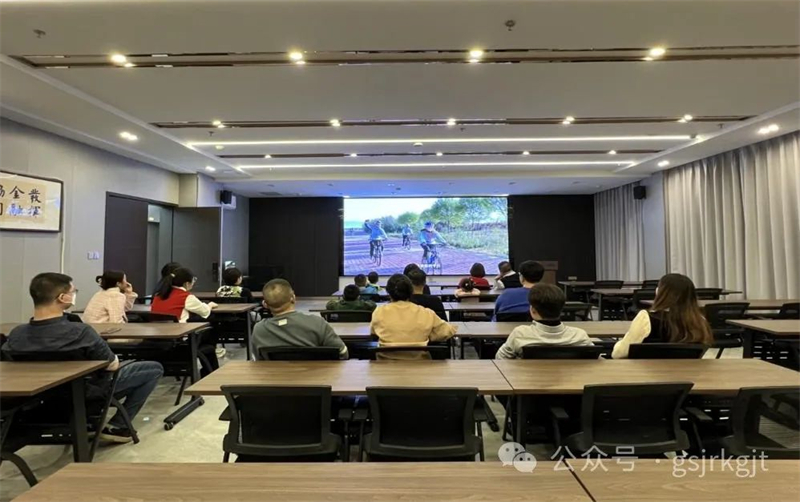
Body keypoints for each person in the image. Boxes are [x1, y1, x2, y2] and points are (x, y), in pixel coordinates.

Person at [2, 273, 164, 443]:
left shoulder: (16, 335)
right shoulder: (80, 332)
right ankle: (118, 426)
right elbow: (112, 365)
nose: (74, 294)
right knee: (153, 369)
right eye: (73, 291)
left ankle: (90, 422)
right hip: (85, 393)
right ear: (63, 298)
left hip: (39, 400)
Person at [612, 274, 713, 359]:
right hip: (688, 374)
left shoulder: (646, 318)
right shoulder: (700, 321)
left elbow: (619, 353)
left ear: (660, 293)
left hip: (646, 374)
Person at [253, 279, 348, 359]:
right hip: (314, 375)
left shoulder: (258, 330)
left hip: (276, 376)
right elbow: (342, 353)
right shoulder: (317, 323)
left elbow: (259, 361)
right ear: (293, 298)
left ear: (265, 304)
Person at [496, 284, 594, 359]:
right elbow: (595, 360)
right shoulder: (580, 336)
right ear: (561, 309)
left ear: (533, 310)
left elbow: (500, 358)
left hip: (529, 378)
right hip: (570, 379)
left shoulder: (520, 334)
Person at [370, 274, 457, 359]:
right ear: (411, 291)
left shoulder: (379, 312)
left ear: (388, 292)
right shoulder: (426, 313)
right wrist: (429, 334)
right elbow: (447, 331)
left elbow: (374, 333)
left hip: (385, 364)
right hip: (420, 364)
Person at [151, 267, 218, 322]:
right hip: (178, 331)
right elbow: (205, 311)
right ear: (187, 284)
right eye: (193, 280)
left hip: (158, 331)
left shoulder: (159, 295)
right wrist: (210, 305)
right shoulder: (186, 297)